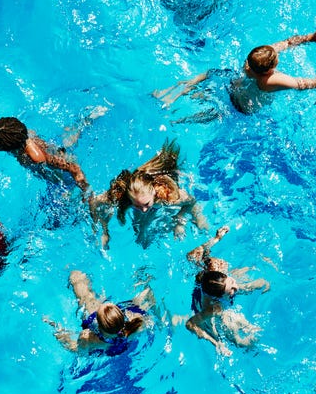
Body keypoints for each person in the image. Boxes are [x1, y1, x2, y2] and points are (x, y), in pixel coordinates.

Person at [153, 28, 316, 114]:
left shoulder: (252, 60)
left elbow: (286, 43)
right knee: (209, 110)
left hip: (231, 85)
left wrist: (309, 38)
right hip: (241, 108)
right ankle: (179, 105)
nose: (278, 55)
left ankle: (171, 93)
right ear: (270, 69)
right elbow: (314, 83)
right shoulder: (270, 81)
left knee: (210, 74)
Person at [89, 140, 208, 249]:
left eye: (146, 204)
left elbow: (192, 201)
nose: (144, 210)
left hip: (159, 194)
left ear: (154, 192)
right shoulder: (125, 196)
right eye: (137, 205)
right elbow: (94, 202)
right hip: (145, 197)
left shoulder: (167, 195)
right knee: (139, 230)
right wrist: (104, 230)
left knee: (144, 224)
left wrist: (180, 220)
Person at [181, 226, 269, 356]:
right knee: (237, 337)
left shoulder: (215, 269)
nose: (236, 288)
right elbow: (190, 324)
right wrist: (216, 343)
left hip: (214, 285)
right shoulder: (214, 308)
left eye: (232, 282)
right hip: (210, 310)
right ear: (219, 297)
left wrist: (217, 238)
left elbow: (195, 253)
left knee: (250, 280)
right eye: (231, 290)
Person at [0, 110, 90, 192]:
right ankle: (84, 121)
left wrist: (87, 193)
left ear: (6, 147)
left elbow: (73, 168)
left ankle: (86, 120)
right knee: (66, 143)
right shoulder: (5, 132)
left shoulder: (36, 157)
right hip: (50, 150)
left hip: (62, 180)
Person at [43, 270, 154, 355]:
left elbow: (77, 350)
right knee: (138, 303)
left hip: (101, 339)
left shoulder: (89, 338)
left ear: (98, 324)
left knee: (77, 279)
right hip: (116, 340)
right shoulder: (136, 323)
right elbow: (148, 298)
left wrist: (58, 332)